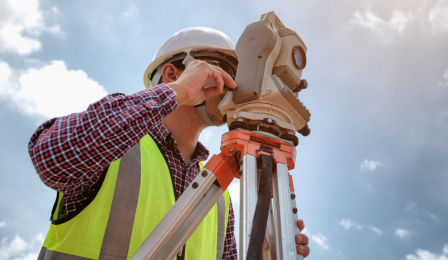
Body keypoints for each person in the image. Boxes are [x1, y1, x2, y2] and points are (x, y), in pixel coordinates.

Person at [29, 27, 309, 259]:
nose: (234, 84)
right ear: (173, 73)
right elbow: (51, 157)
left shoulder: (219, 194)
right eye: (225, 71)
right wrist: (178, 92)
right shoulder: (115, 148)